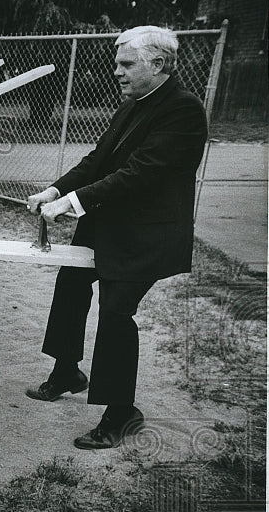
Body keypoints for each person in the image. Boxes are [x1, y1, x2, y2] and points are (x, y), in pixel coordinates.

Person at [25, 25, 208, 449]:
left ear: (158, 64)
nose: (117, 72)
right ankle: (67, 371)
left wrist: (71, 202)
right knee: (70, 284)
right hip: (109, 225)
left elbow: (138, 175)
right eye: (117, 64)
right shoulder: (135, 102)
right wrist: (54, 190)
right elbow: (98, 160)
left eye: (127, 64)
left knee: (116, 313)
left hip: (145, 235)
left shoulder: (183, 109)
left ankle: (121, 413)